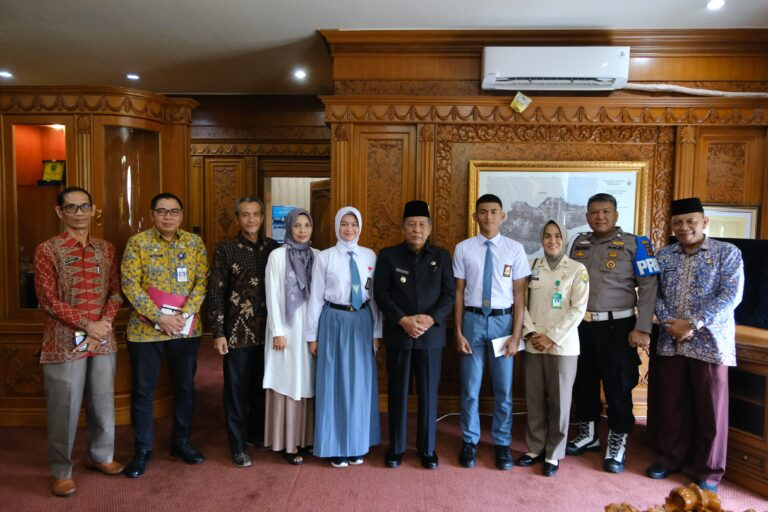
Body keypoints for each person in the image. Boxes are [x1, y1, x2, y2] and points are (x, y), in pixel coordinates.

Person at [645, 197, 744, 493]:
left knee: (710, 409)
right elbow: (654, 293)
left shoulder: (727, 253)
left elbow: (730, 296)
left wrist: (693, 323)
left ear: (704, 222)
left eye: (690, 221)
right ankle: (671, 458)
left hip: (711, 344)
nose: (684, 227)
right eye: (678, 223)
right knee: (671, 405)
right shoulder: (664, 256)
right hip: (670, 340)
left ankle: (709, 471)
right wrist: (669, 323)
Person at [33, 186, 124, 497]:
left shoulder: (107, 248)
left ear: (93, 210)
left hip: (103, 340)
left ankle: (100, 456)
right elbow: (47, 300)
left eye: (84, 206)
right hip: (63, 342)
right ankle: (60, 471)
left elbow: (115, 291)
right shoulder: (47, 250)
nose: (78, 212)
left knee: (102, 402)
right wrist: (88, 324)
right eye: (71, 207)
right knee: (64, 407)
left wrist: (105, 323)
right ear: (60, 212)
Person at [567, 192, 659, 473]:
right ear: (587, 216)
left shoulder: (636, 243)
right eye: (594, 212)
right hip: (581, 326)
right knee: (583, 382)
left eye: (606, 211)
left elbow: (649, 286)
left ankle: (617, 439)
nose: (600, 217)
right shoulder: (579, 243)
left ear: (616, 215)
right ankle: (589, 434)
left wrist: (642, 327)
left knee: (618, 386)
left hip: (618, 328)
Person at [121, 192, 208, 478]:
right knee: (143, 392)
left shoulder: (194, 244)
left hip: (185, 328)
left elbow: (201, 283)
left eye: (173, 211)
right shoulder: (138, 243)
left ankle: (181, 441)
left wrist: (182, 316)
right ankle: (143, 449)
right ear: (152, 214)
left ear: (182, 215)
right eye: (162, 211)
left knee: (185, 387)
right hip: (146, 331)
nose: (168, 216)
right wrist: (159, 317)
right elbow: (130, 285)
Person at [373, 200, 455, 470]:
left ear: (429, 228)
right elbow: (381, 293)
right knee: (397, 392)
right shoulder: (388, 255)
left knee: (429, 394)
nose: (416, 229)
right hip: (400, 334)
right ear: (403, 227)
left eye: (422, 224)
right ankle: (395, 448)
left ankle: (427, 449)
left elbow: (449, 295)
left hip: (431, 337)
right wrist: (403, 320)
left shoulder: (442, 257)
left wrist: (430, 319)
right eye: (411, 224)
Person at [453, 193, 529, 470]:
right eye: (483, 212)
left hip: (503, 323)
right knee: (470, 389)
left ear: (503, 215)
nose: (488, 217)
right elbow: (459, 293)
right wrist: (458, 331)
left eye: (494, 212)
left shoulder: (515, 249)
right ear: (475, 216)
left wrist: (516, 335)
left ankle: (501, 443)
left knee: (503, 390)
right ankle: (470, 440)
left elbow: (520, 295)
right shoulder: (463, 248)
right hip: (472, 321)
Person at [306, 206, 382, 468]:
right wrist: (311, 336)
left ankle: (357, 443)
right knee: (335, 383)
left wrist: (376, 332)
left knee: (360, 385)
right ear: (337, 226)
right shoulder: (325, 257)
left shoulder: (369, 255)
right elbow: (315, 298)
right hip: (334, 321)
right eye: (345, 224)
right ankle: (336, 446)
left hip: (361, 322)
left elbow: (373, 299)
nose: (349, 229)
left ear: (360, 226)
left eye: (354, 224)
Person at [208, 197, 279, 467]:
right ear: (238, 218)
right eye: (246, 215)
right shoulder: (226, 249)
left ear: (262, 218)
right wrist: (218, 331)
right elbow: (215, 291)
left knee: (262, 386)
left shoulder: (274, 249)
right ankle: (237, 445)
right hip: (237, 333)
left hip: (268, 332)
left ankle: (256, 434)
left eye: (256, 214)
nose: (251, 220)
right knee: (236, 390)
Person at [516, 220, 589, 477]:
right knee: (535, 399)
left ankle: (554, 454)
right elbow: (520, 303)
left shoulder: (577, 269)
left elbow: (578, 310)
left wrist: (551, 337)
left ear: (564, 238)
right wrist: (532, 332)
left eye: (558, 236)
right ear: (541, 239)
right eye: (547, 236)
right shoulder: (532, 266)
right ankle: (535, 448)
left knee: (560, 402)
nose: (552, 241)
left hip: (563, 346)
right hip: (534, 342)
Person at [263, 208, 318, 465]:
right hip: (285, 329)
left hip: (309, 330)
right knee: (287, 380)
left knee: (306, 381)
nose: (303, 230)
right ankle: (287, 443)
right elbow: (272, 295)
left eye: (307, 225)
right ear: (288, 227)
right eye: (297, 225)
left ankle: (305, 438)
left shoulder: (317, 256)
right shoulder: (277, 255)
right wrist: (278, 331)